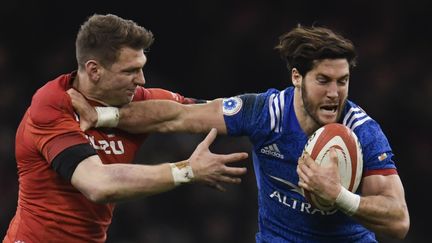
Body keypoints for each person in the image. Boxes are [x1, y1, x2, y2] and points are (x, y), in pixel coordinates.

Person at [68, 25, 410, 242]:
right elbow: (176, 116)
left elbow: (398, 222)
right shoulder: (265, 113)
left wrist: (338, 195)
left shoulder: (363, 133)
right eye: (323, 80)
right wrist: (104, 114)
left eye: (343, 81)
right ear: (296, 77)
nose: (335, 93)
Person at [3, 14, 249, 243]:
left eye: (141, 67)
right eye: (130, 71)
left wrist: (274, 108)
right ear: (94, 70)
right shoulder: (52, 105)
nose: (141, 79)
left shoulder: (140, 102)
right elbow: (97, 184)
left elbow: (209, 112)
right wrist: (187, 171)